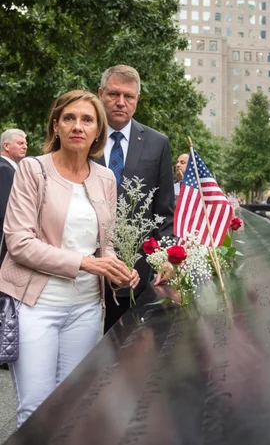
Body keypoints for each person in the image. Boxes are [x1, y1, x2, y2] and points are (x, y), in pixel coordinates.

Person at [0, 90, 138, 427]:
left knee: (74, 405)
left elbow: (103, 244)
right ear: (56, 126)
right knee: (36, 410)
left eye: (87, 119)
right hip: (36, 305)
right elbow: (19, 243)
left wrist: (118, 268)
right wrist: (85, 263)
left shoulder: (106, 178)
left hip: (87, 308)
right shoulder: (33, 170)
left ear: (97, 131)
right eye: (69, 118)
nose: (78, 125)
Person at [97, 65, 175, 332]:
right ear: (100, 94)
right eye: (113, 94)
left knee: (128, 350)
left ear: (137, 99)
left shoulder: (157, 143)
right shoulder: (83, 135)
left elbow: (164, 211)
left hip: (136, 272)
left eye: (128, 96)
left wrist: (166, 259)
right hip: (85, 266)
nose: (121, 102)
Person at [0, 128, 27, 265]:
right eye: (20, 143)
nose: (25, 146)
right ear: (6, 146)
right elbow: (5, 211)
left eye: (25, 143)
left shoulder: (11, 169)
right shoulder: (3, 168)